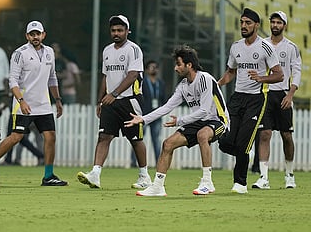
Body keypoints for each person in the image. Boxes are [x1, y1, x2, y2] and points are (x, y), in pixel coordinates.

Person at [125, 45, 229, 196]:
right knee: (167, 144)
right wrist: (142, 119)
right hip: (199, 121)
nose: (175, 68)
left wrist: (180, 121)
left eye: (178, 64)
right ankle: (158, 187)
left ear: (189, 65)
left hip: (218, 120)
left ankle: (207, 182)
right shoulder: (183, 86)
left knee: (202, 135)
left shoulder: (205, 79)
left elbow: (205, 111)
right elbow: (167, 107)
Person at [0, 20, 67, 186]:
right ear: (27, 36)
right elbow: (12, 80)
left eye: (38, 33)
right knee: (16, 137)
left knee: (50, 137)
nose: (35, 36)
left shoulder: (49, 52)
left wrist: (57, 100)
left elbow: (52, 77)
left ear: (44, 35)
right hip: (24, 102)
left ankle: (48, 175)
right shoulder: (19, 53)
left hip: (43, 104)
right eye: (32, 34)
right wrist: (21, 101)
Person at [77, 15, 151, 189]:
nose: (116, 33)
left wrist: (115, 94)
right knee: (104, 136)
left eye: (120, 30)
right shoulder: (107, 50)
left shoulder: (134, 49)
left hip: (130, 100)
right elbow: (105, 76)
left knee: (135, 138)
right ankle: (95, 174)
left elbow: (133, 75)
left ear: (127, 31)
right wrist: (100, 101)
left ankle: (144, 176)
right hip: (110, 101)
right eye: (113, 30)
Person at [217, 8, 284, 194]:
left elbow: (279, 75)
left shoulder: (265, 47)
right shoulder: (236, 47)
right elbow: (231, 71)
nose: (244, 26)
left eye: (248, 23)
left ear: (256, 25)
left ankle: (240, 183)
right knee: (225, 140)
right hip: (237, 98)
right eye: (242, 22)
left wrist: (261, 78)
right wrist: (218, 84)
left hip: (256, 100)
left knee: (242, 142)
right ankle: (244, 151)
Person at [252, 11, 301, 190]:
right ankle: (263, 177)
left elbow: (297, 72)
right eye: (273, 22)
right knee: (265, 134)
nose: (275, 25)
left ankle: (289, 175)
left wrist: (290, 95)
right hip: (265, 94)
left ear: (284, 25)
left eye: (279, 22)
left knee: (286, 135)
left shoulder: (291, 47)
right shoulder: (262, 44)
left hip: (283, 95)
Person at [130, 60, 166, 167]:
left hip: (156, 115)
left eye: (155, 67)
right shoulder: (143, 82)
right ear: (146, 70)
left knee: (156, 140)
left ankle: (159, 163)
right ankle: (133, 162)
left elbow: (163, 98)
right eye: (151, 67)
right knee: (139, 138)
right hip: (144, 115)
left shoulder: (161, 83)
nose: (153, 69)